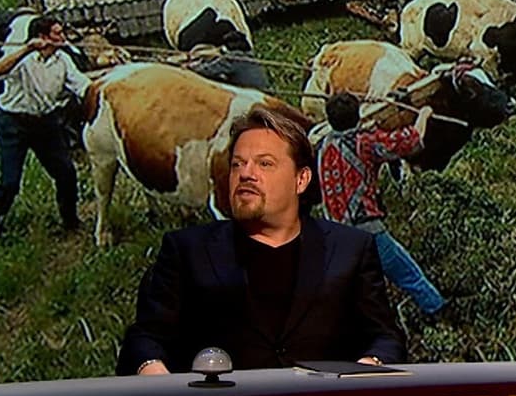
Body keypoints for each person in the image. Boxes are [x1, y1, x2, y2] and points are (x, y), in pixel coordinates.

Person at [117, 106, 405, 375]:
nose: (246, 174)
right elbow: (144, 339)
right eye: (237, 164)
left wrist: (370, 365)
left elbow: (385, 338)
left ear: (301, 180)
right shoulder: (185, 251)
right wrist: (152, 368)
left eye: (265, 164)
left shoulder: (351, 249)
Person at [317, 92, 449, 319]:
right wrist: (424, 115)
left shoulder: (323, 146)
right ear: (357, 115)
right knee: (409, 275)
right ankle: (440, 313)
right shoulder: (366, 143)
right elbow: (411, 141)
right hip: (366, 231)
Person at [0, 16, 91, 242]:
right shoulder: (21, 57)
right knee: (10, 183)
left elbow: (82, 86)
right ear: (42, 37)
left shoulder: (63, 60)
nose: (63, 37)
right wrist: (26, 49)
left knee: (66, 173)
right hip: (14, 123)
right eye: (57, 33)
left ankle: (70, 221)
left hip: (46, 122)